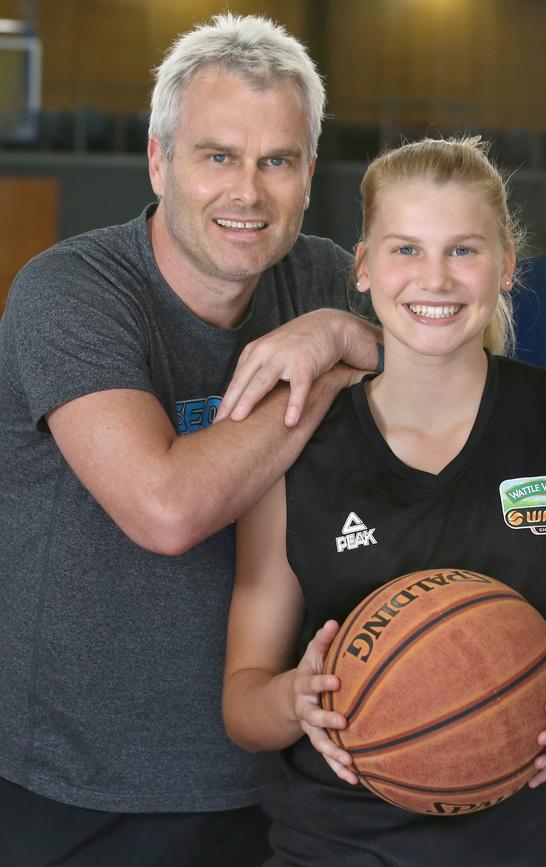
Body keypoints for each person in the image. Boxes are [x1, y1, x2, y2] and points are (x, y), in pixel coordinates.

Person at [0, 13, 380, 867]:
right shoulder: (70, 292)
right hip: (79, 790)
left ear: (310, 174)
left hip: (281, 775)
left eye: (276, 161)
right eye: (218, 156)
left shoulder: (321, 278)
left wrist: (346, 331)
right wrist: (328, 361)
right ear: (158, 160)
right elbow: (167, 509)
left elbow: (458, 379)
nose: (247, 192)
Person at [222, 136, 546, 866]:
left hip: (544, 848)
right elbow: (242, 701)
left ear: (507, 263)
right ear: (361, 267)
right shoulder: (296, 446)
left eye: (463, 250)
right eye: (405, 249)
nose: (435, 278)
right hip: (340, 847)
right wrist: (295, 699)